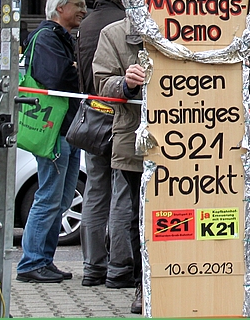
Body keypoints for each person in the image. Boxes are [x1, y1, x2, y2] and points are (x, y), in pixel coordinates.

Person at [15, 0, 87, 283]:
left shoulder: (61, 38)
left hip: (66, 128)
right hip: (54, 130)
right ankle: (31, 262)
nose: (84, 9)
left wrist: (72, 66)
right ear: (60, 8)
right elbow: (58, 77)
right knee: (48, 197)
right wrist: (73, 67)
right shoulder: (47, 37)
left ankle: (44, 259)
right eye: (78, 4)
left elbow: (70, 73)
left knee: (62, 198)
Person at [74, 0, 135, 289]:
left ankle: (92, 266)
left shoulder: (87, 22)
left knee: (95, 192)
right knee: (122, 194)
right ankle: (119, 266)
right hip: (118, 116)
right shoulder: (121, 24)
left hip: (91, 116)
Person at [93, 16, 146, 315]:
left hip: (185, 140)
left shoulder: (184, 24)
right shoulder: (113, 34)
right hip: (134, 140)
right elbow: (102, 83)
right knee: (140, 217)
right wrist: (125, 83)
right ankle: (143, 284)